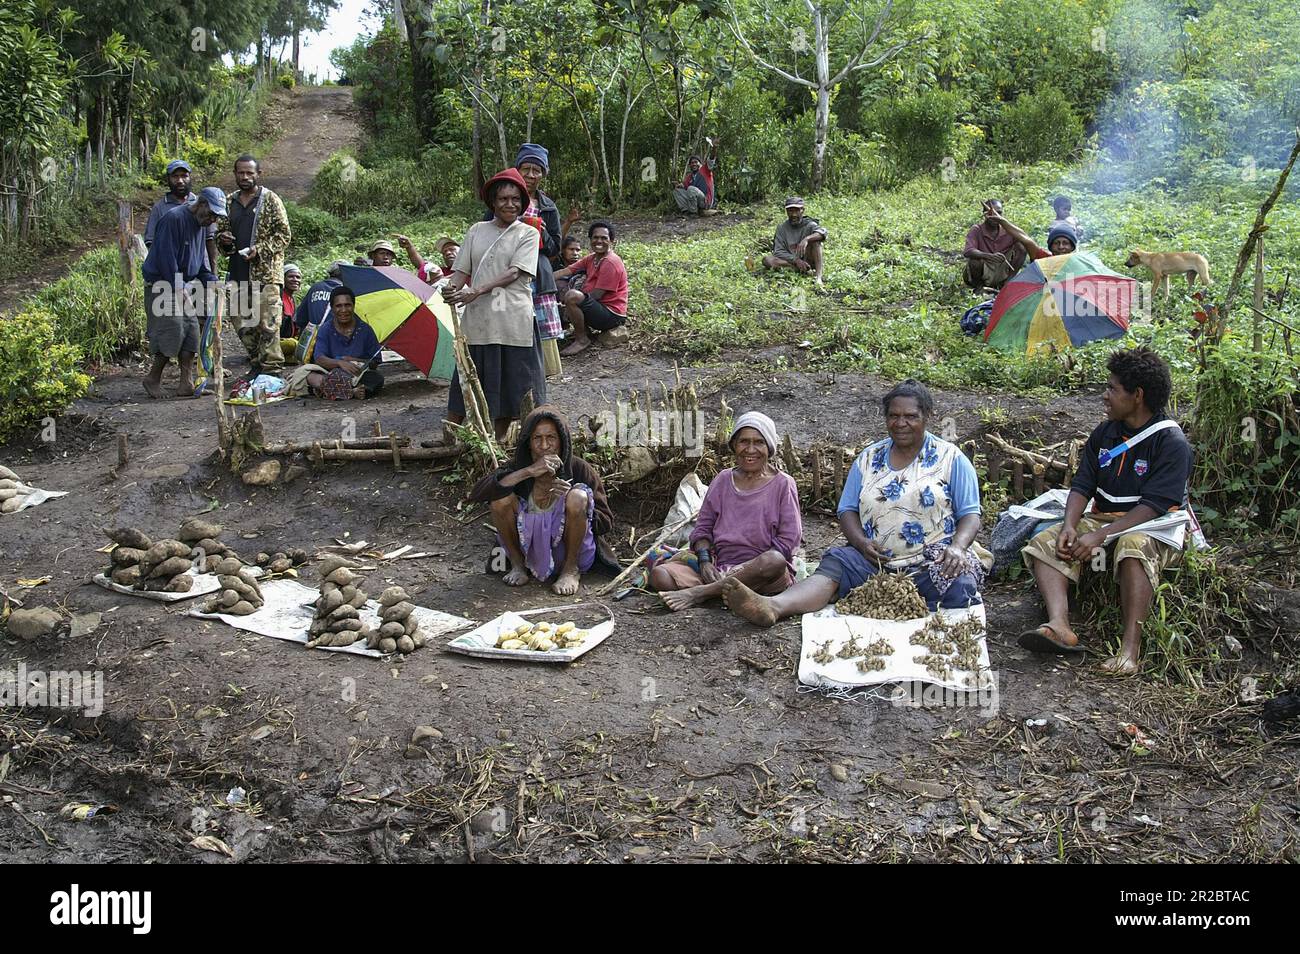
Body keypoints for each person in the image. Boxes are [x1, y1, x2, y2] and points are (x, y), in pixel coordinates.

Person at [723, 380, 990, 627]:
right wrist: (861, 544)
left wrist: (957, 547)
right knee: (835, 565)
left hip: (931, 561)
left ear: (926, 417)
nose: (901, 423)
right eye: (894, 416)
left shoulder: (950, 459)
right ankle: (773, 606)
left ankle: (909, 601)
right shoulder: (869, 458)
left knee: (959, 581)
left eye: (910, 416)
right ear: (886, 418)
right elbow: (847, 510)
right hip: (874, 562)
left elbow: (970, 515)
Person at [1018, 349, 1193, 676]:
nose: (1105, 395)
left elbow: (1155, 506)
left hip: (1156, 525)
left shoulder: (1171, 442)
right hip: (1106, 517)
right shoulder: (1105, 433)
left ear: (1137, 396)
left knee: (1132, 546)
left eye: (1112, 388)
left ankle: (1130, 652)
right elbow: (1083, 483)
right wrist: (1070, 524)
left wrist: (1101, 535)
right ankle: (1060, 625)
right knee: (1046, 541)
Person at [652, 412, 802, 611]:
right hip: (719, 565)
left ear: (769, 447)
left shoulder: (783, 484)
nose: (750, 450)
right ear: (734, 445)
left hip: (761, 571)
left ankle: (701, 594)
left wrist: (743, 568)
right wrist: (705, 563)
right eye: (743, 442)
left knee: (774, 561)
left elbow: (788, 541)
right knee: (659, 576)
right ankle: (725, 592)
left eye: (759, 442)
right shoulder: (723, 480)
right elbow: (703, 529)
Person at [441, 167, 547, 441]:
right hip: (479, 319)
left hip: (512, 319)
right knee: (468, 374)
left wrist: (475, 291)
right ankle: (450, 435)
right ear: (492, 202)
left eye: (515, 199)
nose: (510, 204)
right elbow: (461, 270)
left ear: (523, 202)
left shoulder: (528, 233)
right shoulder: (477, 230)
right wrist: (451, 290)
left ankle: (496, 441)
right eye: (503, 199)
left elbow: (515, 272)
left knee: (508, 383)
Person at [470, 406, 614, 596]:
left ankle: (571, 571)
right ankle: (518, 566)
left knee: (578, 497)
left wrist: (571, 506)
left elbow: (605, 522)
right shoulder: (519, 467)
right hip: (529, 551)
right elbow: (477, 494)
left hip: (566, 552)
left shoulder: (579, 469)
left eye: (551, 438)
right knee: (500, 500)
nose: (544, 446)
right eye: (537, 438)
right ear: (528, 443)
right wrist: (528, 472)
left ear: (562, 442)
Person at [140, 187, 226, 399]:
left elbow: (199, 263)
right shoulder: (175, 218)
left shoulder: (200, 225)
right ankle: (152, 379)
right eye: (212, 214)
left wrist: (216, 283)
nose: (213, 220)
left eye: (217, 216)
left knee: (191, 333)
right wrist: (178, 287)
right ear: (202, 204)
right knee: (173, 331)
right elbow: (165, 258)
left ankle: (185, 383)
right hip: (163, 284)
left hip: (182, 284)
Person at [215, 154, 291, 379]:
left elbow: (284, 235)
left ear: (258, 174)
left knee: (268, 323)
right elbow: (220, 233)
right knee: (242, 323)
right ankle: (257, 364)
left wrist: (260, 248)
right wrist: (225, 240)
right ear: (235, 174)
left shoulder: (270, 199)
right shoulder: (229, 201)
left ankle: (272, 370)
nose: (245, 177)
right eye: (241, 173)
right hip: (238, 272)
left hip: (265, 273)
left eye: (250, 173)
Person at [508, 143, 564, 376]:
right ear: (517, 169)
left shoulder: (547, 206)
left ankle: (546, 372)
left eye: (537, 170)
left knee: (542, 323)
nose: (531, 175)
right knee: (512, 321)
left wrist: (539, 232)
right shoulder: (505, 199)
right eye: (526, 168)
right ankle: (517, 371)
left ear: (543, 174)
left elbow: (555, 250)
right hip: (508, 270)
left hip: (537, 272)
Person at [554, 220, 628, 356]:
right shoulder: (592, 258)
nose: (599, 241)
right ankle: (583, 331)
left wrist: (569, 306)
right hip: (598, 308)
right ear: (590, 240)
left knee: (572, 296)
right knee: (565, 288)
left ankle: (582, 339)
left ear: (612, 241)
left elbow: (597, 295)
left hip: (611, 315)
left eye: (604, 238)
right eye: (595, 237)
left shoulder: (610, 262)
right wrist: (539, 279)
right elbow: (566, 271)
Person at [304, 286, 384, 400]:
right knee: (310, 376)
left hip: (356, 376)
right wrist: (340, 363)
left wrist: (353, 360)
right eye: (338, 306)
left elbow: (375, 363)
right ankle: (351, 392)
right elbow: (319, 358)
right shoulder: (325, 329)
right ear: (332, 308)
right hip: (332, 374)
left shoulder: (365, 329)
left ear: (353, 306)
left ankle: (331, 391)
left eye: (347, 305)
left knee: (377, 378)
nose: (343, 310)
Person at [144, 159, 218, 273]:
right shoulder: (160, 208)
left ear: (190, 178)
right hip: (170, 276)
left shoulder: (202, 205)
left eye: (184, 176)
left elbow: (210, 240)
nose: (180, 181)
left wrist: (213, 273)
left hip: (199, 272)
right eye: (175, 176)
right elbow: (152, 243)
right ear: (168, 179)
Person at [963, 199, 1026, 291]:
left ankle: (1008, 282)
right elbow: (968, 251)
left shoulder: (1007, 229)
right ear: (984, 214)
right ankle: (979, 287)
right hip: (984, 267)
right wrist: (988, 256)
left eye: (999, 213)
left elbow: (1025, 241)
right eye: (991, 213)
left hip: (1002, 267)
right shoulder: (977, 229)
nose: (996, 216)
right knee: (974, 261)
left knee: (1022, 247)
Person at [762, 196, 827, 286]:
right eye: (790, 211)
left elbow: (823, 233)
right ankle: (801, 270)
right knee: (767, 260)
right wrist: (796, 260)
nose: (794, 215)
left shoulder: (809, 224)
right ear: (786, 212)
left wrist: (806, 239)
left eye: (797, 210)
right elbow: (778, 251)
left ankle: (818, 277)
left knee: (816, 242)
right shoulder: (781, 228)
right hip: (791, 261)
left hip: (808, 258)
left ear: (802, 210)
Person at [986, 210, 1078, 261]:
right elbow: (1025, 239)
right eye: (1056, 243)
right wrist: (1001, 221)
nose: (1061, 247)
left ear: (1072, 247)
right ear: (1050, 246)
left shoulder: (1078, 263)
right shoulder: (1043, 259)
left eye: (1065, 243)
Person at [673, 138, 719, 216]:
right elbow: (683, 185)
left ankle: (693, 213)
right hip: (696, 202)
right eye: (691, 163)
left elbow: (711, 159)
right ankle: (686, 211)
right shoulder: (690, 176)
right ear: (690, 165)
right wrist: (677, 184)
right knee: (676, 191)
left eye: (695, 162)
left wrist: (714, 147)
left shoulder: (705, 169)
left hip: (706, 201)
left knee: (691, 189)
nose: (694, 164)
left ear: (700, 163)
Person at [395, 235, 460, 284]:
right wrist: (409, 247)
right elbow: (422, 266)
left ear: (463, 251)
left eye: (452, 249)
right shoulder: (442, 271)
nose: (447, 253)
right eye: (444, 252)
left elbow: (463, 274)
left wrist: (441, 280)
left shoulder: (469, 270)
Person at [280, 264, 303, 338]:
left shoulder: (293, 300)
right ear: (283, 279)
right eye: (290, 276)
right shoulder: (278, 297)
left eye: (298, 277)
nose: (295, 279)